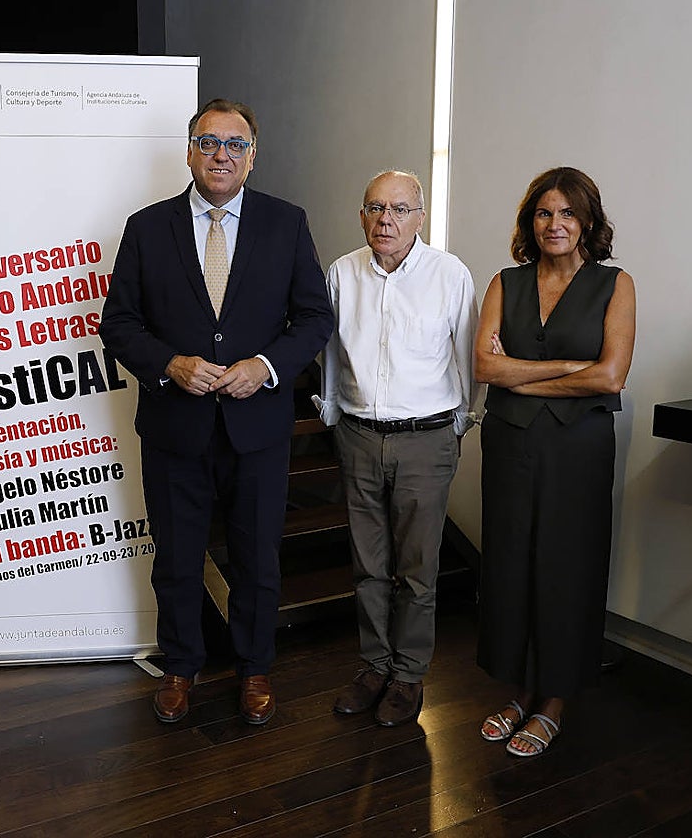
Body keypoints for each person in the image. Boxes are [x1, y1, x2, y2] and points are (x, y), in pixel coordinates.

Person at [100, 99, 333, 725]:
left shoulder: (286, 223)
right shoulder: (147, 228)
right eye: (209, 143)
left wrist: (266, 366)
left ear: (253, 155)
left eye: (235, 144)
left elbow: (314, 318)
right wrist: (169, 364)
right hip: (176, 425)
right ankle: (181, 667)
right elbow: (117, 325)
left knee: (258, 558)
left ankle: (255, 668)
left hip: (257, 426)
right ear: (190, 151)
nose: (221, 154)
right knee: (176, 557)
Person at [474, 166, 635, 757]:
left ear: (588, 220)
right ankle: (520, 692)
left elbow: (611, 374)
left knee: (568, 565)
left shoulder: (615, 285)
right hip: (511, 445)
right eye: (544, 213)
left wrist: (525, 378)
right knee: (513, 562)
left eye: (567, 213)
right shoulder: (505, 283)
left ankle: (555, 701)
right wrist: (570, 370)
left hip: (579, 449)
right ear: (530, 221)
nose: (555, 224)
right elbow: (486, 369)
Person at [318, 170, 478, 727]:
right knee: (367, 564)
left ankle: (408, 675)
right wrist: (333, 412)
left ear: (420, 216)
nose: (386, 219)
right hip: (359, 435)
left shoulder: (448, 274)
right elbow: (332, 353)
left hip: (426, 439)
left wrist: (456, 425)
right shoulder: (342, 272)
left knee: (416, 570)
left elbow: (467, 357)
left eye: (400, 209)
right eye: (375, 207)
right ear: (362, 214)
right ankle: (373, 665)